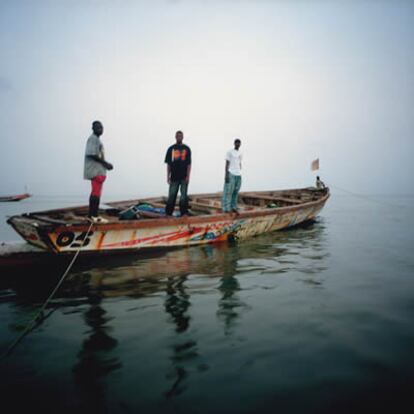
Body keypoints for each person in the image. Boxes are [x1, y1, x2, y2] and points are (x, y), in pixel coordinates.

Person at [84, 120, 113, 223]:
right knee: (95, 193)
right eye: (98, 128)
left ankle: (94, 215)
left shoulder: (97, 140)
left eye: (101, 128)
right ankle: (93, 215)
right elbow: (92, 154)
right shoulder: (93, 139)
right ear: (93, 129)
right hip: (95, 170)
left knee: (97, 192)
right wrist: (105, 163)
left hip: (99, 171)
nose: (100, 130)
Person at [164, 130, 192, 216]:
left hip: (184, 177)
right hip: (174, 176)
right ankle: (168, 213)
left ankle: (183, 213)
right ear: (175, 137)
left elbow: (189, 164)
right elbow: (168, 164)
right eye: (177, 136)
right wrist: (168, 176)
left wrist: (188, 176)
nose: (179, 137)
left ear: (182, 137)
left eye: (180, 136)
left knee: (183, 196)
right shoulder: (171, 149)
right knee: (172, 195)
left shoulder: (187, 149)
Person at [222, 139, 242, 213]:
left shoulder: (240, 153)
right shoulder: (229, 152)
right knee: (228, 191)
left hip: (238, 174)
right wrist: (226, 174)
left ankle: (233, 207)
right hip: (231, 173)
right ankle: (226, 208)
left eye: (239, 143)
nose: (237, 144)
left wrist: (240, 171)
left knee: (235, 191)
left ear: (240, 144)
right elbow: (227, 163)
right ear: (234, 143)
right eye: (236, 143)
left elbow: (240, 163)